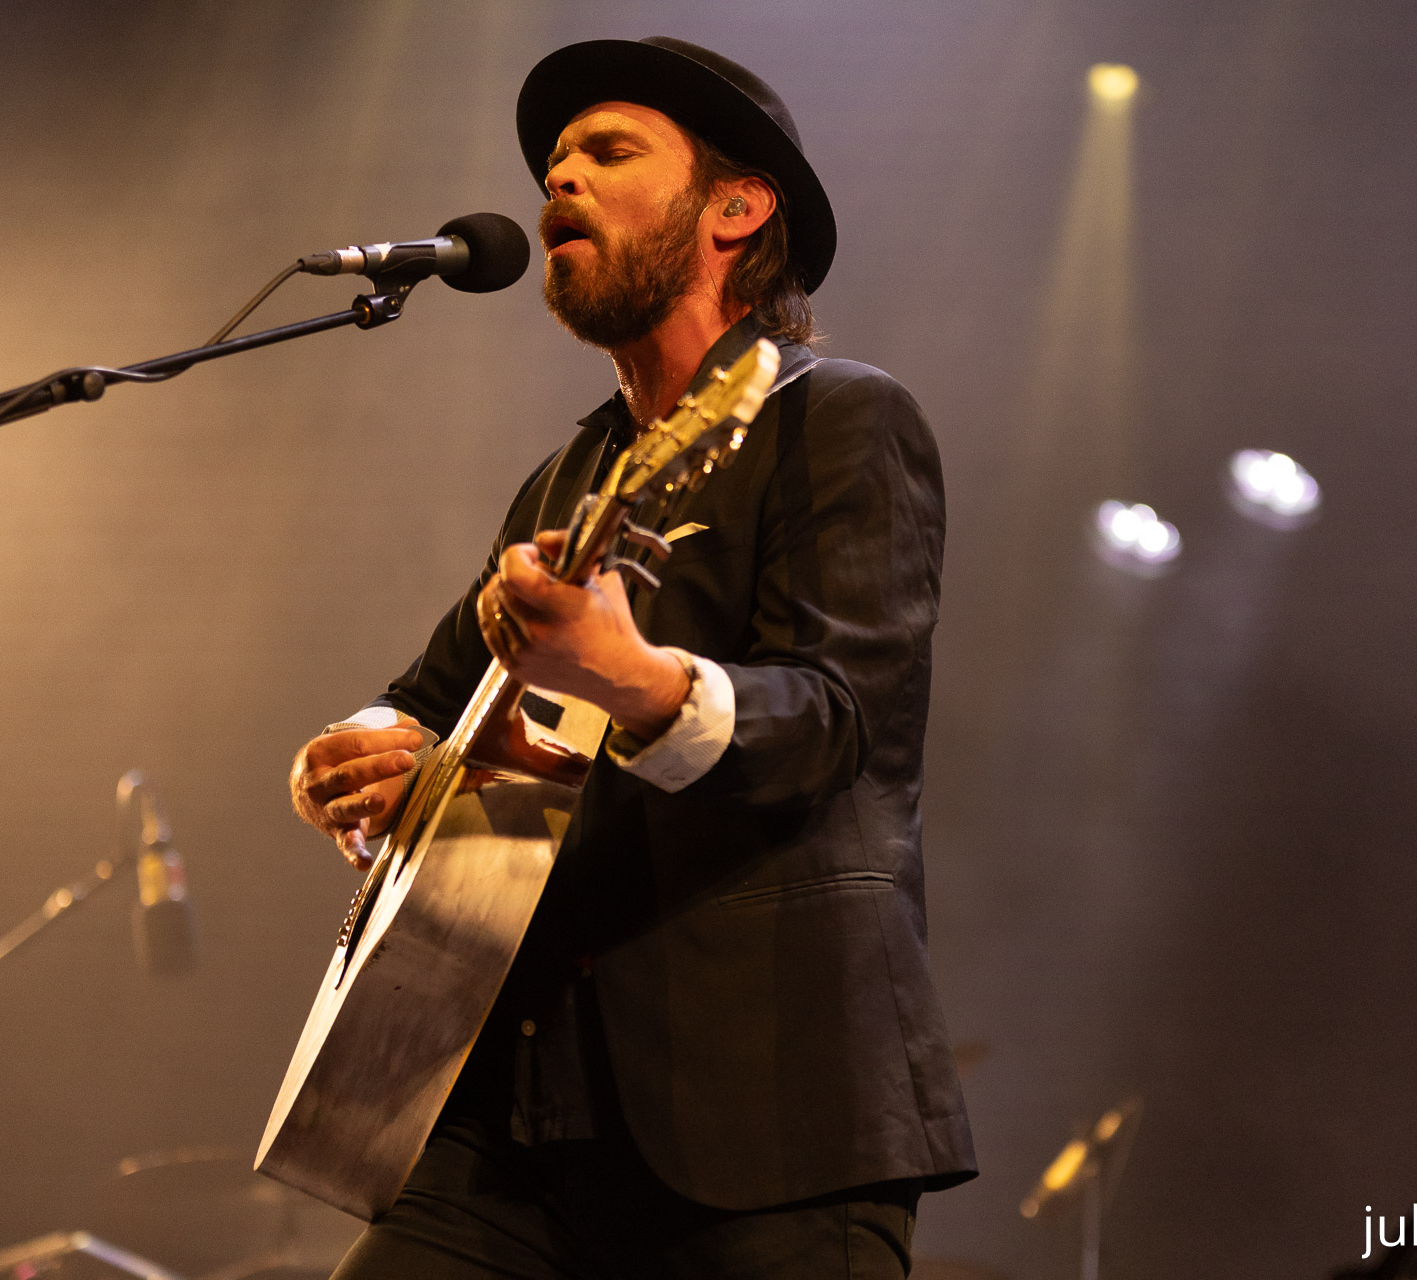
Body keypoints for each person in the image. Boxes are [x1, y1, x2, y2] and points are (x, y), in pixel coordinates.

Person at [287, 37, 976, 1279]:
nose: (560, 180)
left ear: (736, 208)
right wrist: (360, 754)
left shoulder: (838, 417)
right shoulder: (568, 478)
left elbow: (838, 723)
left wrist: (632, 679)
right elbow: (424, 697)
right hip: (510, 1117)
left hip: (771, 1116)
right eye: (556, 162)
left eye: (608, 153)